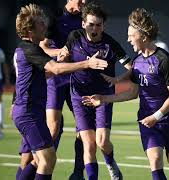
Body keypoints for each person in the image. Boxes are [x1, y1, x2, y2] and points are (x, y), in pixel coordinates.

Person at [82, 8, 169, 180]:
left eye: (132, 35)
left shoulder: (165, 61)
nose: (128, 39)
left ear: (144, 37)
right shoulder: (137, 63)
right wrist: (103, 99)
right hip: (147, 120)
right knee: (155, 160)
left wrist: (157, 115)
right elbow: (133, 92)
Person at [13, 4, 108, 180]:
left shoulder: (27, 49)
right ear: (30, 30)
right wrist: (86, 63)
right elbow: (55, 69)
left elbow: (46, 73)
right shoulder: (30, 49)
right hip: (28, 113)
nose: (45, 26)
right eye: (40, 24)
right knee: (47, 159)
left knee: (44, 159)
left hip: (29, 112)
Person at [62, 3, 131, 180]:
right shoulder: (74, 37)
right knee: (89, 144)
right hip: (79, 97)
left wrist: (118, 79)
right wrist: (62, 55)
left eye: (98, 25)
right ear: (83, 23)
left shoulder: (110, 44)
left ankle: (110, 162)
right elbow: (64, 58)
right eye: (91, 24)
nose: (95, 28)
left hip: (103, 97)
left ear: (103, 26)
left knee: (102, 142)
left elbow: (133, 68)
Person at [40, 0, 87, 179]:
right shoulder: (55, 18)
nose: (84, 1)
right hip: (56, 79)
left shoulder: (86, 18)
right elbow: (43, 47)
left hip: (78, 79)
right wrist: (62, 51)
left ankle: (77, 173)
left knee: (83, 128)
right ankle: (45, 171)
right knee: (53, 128)